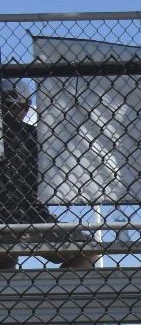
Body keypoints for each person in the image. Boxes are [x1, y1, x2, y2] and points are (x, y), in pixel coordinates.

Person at [1, 77, 98, 270]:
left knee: (5, 265)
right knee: (91, 250)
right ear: (26, 107)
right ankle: (55, 288)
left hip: (9, 219)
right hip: (30, 218)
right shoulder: (37, 137)